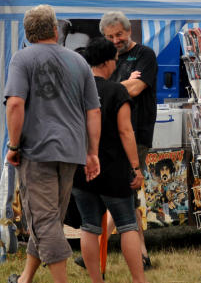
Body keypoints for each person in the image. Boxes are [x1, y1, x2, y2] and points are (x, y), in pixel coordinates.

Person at [4, 4, 101, 283]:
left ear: (27, 33)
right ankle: (25, 278)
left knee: (44, 220)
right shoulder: (79, 61)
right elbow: (94, 111)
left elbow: (15, 104)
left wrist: (13, 146)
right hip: (71, 150)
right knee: (51, 219)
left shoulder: (22, 58)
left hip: (37, 150)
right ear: (56, 31)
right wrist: (92, 153)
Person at [72, 37, 147, 283]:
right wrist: (136, 168)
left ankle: (96, 280)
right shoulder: (116, 91)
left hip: (82, 168)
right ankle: (139, 280)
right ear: (106, 62)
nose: (117, 63)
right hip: (113, 169)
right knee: (127, 225)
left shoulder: (77, 91)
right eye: (115, 59)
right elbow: (126, 132)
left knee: (89, 226)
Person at [98, 11, 157, 269]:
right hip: (110, 134)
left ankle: (98, 244)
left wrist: (112, 88)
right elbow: (97, 90)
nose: (115, 40)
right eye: (109, 36)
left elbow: (136, 88)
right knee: (127, 193)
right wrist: (122, 85)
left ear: (129, 31)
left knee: (124, 189)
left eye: (119, 34)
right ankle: (142, 255)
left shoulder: (144, 55)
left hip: (137, 134)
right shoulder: (106, 57)